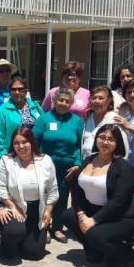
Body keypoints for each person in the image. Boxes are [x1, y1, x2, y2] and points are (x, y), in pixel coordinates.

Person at [64, 124, 134, 267]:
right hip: (94, 211)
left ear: (117, 143)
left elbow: (119, 201)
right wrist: (81, 214)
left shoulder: (123, 167)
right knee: (68, 216)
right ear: (96, 139)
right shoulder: (89, 159)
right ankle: (93, 249)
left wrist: (93, 220)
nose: (105, 142)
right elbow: (78, 189)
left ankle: (125, 253)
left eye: (111, 139)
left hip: (120, 217)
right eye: (102, 137)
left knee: (94, 234)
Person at [0, 127, 58, 260]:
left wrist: (48, 210)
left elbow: (53, 189)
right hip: (16, 208)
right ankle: (7, 241)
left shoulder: (45, 160)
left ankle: (27, 238)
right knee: (12, 243)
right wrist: (11, 206)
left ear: (32, 142)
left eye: (25, 142)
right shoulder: (6, 161)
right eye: (16, 143)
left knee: (34, 254)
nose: (21, 146)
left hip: (37, 211)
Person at [33, 87, 83, 243]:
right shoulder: (44, 119)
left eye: (67, 101)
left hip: (67, 168)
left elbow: (80, 145)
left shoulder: (77, 121)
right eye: (60, 100)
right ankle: (44, 226)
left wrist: (77, 163)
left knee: (61, 197)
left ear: (71, 104)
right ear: (54, 101)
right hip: (46, 166)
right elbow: (34, 141)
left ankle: (57, 227)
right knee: (44, 196)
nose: (63, 103)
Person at [0, 76, 43, 166]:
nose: (17, 92)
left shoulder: (36, 107)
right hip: (13, 159)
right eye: (14, 89)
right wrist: (3, 158)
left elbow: (44, 128)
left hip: (35, 157)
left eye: (20, 89)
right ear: (10, 91)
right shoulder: (3, 111)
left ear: (26, 90)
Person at [81, 86, 124, 161]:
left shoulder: (115, 120)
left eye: (101, 98)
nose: (96, 101)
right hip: (87, 166)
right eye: (94, 98)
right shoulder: (87, 118)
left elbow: (121, 148)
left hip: (107, 166)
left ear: (109, 101)